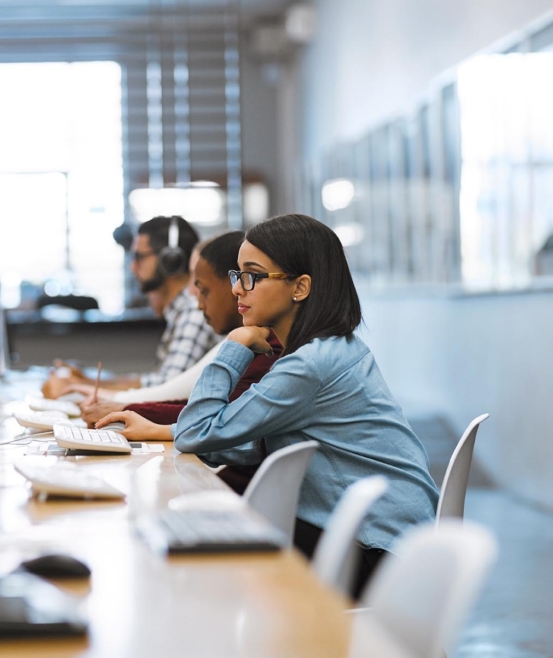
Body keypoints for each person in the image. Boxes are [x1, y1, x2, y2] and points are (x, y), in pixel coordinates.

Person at [96, 213, 440, 597]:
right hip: (389, 539)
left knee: (201, 560)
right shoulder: (325, 350)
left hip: (376, 551)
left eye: (252, 276)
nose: (238, 290)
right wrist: (167, 431)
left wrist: (234, 345)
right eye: (237, 275)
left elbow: (199, 432)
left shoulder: (309, 365)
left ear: (300, 287)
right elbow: (252, 439)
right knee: (201, 538)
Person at [80, 231, 282, 432]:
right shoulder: (259, 340)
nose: (237, 288)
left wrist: (129, 412)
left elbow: (213, 421)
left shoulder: (273, 349)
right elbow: (206, 412)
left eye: (250, 277)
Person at [42, 215, 219, 397]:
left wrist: (79, 387)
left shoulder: (193, 313)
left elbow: (165, 392)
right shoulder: (181, 312)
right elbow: (157, 381)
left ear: (170, 261)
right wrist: (87, 381)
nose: (132, 267)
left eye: (139, 257)